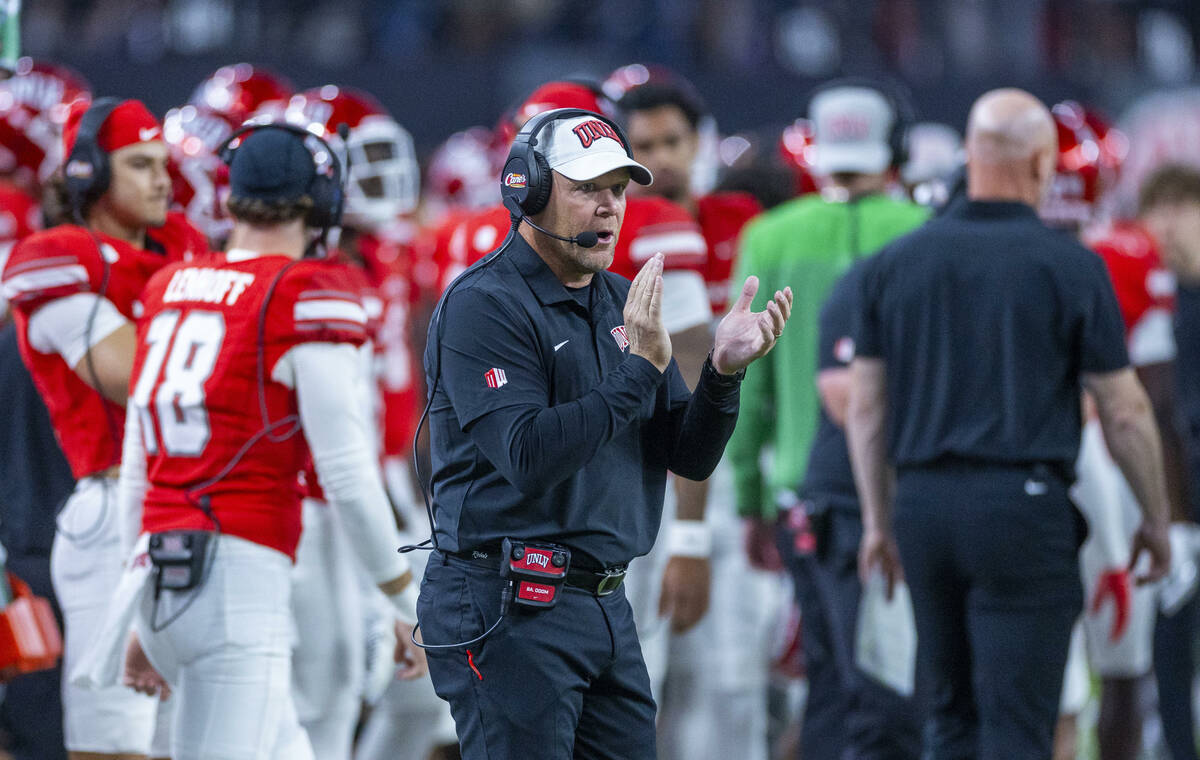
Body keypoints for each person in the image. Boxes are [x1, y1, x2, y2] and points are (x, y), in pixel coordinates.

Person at [417, 107, 792, 758]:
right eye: (587, 187)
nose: (609, 207)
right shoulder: (485, 304)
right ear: (526, 189)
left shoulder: (621, 299)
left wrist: (723, 377)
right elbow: (529, 454)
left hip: (605, 603)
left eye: (618, 189)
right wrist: (639, 368)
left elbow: (687, 454)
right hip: (506, 602)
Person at [848, 88, 1172, 760]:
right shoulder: (1072, 266)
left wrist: (879, 521)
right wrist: (1154, 517)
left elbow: (868, 408)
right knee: (1018, 729)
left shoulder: (890, 266)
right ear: (1042, 164)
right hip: (1022, 510)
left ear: (968, 155)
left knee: (948, 721)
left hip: (923, 508)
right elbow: (1125, 410)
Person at [108, 124, 426, 759]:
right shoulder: (305, 292)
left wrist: (136, 599)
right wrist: (403, 597)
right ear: (322, 202)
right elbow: (346, 474)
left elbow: (138, 462)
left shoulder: (171, 286)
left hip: (164, 573)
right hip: (237, 580)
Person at [725, 79, 929, 760]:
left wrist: (751, 503)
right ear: (893, 145)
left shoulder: (769, 234)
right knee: (896, 684)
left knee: (829, 682)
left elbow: (745, 386)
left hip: (798, 493)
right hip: (905, 490)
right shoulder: (924, 232)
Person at [1, 96, 208, 760]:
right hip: (110, 514)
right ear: (87, 171)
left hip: (201, 511)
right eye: (140, 164)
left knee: (195, 739)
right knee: (113, 743)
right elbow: (137, 377)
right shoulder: (56, 261)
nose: (161, 181)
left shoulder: (184, 248)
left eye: (164, 164)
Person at [617, 72, 777, 760]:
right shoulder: (620, 230)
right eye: (644, 144)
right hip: (652, 474)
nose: (662, 159)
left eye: (672, 140)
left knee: (732, 683)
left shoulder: (745, 222)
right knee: (642, 681)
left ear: (699, 141)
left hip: (733, 473)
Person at [1139, 163, 1200, 760]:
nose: (1170, 225)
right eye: (1160, 211)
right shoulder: (1149, 298)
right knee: (1171, 631)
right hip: (1176, 487)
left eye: (1184, 209)